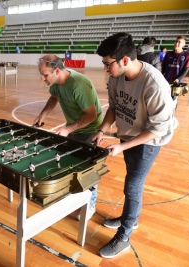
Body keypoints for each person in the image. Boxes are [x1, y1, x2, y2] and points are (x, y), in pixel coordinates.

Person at [94, 32, 174, 259]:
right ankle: (130, 215)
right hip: (128, 134)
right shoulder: (116, 77)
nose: (106, 69)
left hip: (149, 139)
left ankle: (125, 235)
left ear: (125, 60)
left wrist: (123, 147)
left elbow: (158, 128)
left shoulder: (155, 84)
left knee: (133, 185)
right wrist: (102, 130)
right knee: (131, 181)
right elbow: (113, 107)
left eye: (108, 64)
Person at [34, 54, 103, 221]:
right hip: (74, 128)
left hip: (90, 129)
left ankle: (90, 203)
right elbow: (54, 97)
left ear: (57, 70)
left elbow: (91, 115)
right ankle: (70, 195)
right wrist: (43, 114)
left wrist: (68, 129)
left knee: (87, 169)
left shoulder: (78, 84)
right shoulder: (57, 83)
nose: (42, 79)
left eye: (45, 75)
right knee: (69, 163)